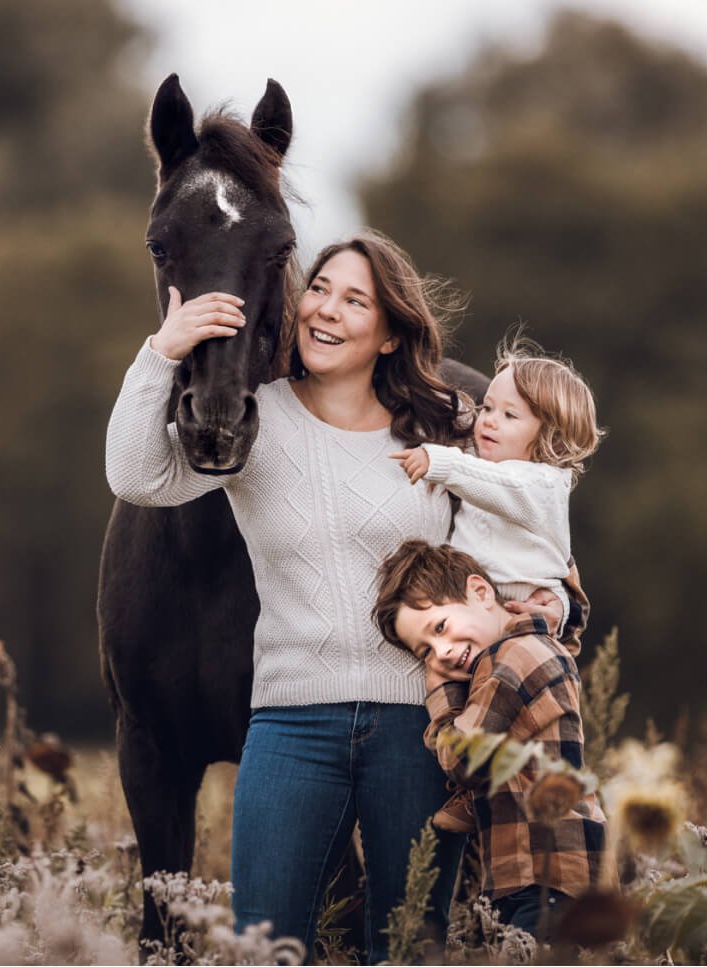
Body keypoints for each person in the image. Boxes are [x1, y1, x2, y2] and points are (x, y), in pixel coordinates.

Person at [106, 230, 471, 963]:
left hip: (413, 727)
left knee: (405, 948)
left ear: (392, 333)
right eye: (320, 290)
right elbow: (135, 477)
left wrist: (549, 592)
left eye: (354, 300)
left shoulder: (441, 429)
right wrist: (161, 352)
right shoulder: (255, 422)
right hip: (288, 728)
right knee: (267, 948)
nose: (325, 311)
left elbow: (526, 506)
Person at [387, 333, 603, 834]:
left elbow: (498, 488)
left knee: (518, 720)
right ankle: (471, 791)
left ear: (547, 433)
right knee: (477, 708)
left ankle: (542, 809)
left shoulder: (542, 483)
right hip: (489, 621)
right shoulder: (486, 470)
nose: (488, 421)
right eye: (487, 408)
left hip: (526, 624)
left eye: (510, 416)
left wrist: (439, 462)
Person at [373, 539, 607, 936]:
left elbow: (464, 760)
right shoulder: (531, 646)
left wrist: (440, 695)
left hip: (548, 873)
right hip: (545, 873)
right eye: (424, 652)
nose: (442, 653)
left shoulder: (511, 660)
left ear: (481, 592)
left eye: (440, 627)